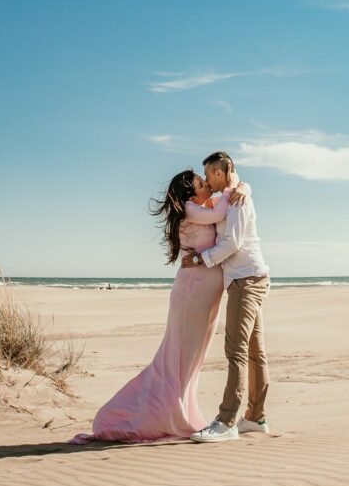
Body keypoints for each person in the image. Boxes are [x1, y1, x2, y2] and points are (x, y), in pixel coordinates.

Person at [67, 168, 248, 443]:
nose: (206, 185)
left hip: (206, 295)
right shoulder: (191, 209)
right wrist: (232, 186)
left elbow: (223, 212)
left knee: (192, 359)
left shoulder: (201, 206)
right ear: (189, 193)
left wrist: (244, 187)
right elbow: (221, 213)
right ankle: (163, 415)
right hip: (192, 293)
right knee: (178, 356)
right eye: (201, 183)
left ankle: (181, 410)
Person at [185, 151, 271, 443]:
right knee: (253, 352)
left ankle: (226, 421)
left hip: (246, 279)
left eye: (208, 174)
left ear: (220, 173)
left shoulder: (238, 199)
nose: (207, 180)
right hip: (247, 277)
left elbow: (232, 242)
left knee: (236, 349)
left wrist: (200, 260)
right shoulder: (230, 196)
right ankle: (256, 418)